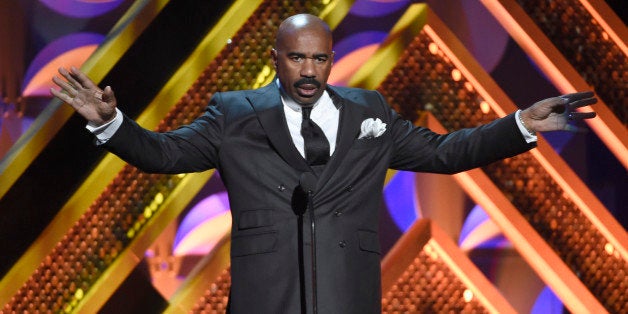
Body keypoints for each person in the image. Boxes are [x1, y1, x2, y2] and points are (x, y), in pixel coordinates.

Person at [51, 13, 596, 314]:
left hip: (347, 297)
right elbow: (163, 155)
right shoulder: (234, 113)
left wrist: (521, 122)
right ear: (275, 59)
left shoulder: (370, 112)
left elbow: (445, 152)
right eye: (297, 57)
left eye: (319, 58)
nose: (308, 69)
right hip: (268, 299)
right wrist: (111, 123)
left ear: (331, 60)